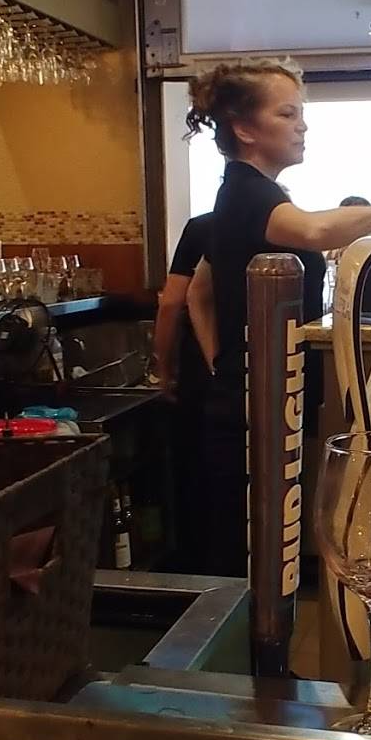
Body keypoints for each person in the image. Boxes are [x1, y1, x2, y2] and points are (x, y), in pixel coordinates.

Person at [185, 58, 371, 577]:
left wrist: (222, 362)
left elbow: (198, 291)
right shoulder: (248, 191)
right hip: (252, 403)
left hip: (257, 394)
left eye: (300, 114)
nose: (301, 126)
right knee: (250, 550)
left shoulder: (247, 193)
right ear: (245, 129)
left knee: (262, 545)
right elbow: (313, 232)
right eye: (286, 114)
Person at [153, 213, 213, 571]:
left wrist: (163, 367)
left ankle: (199, 569)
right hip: (272, 367)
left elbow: (171, 302)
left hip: (203, 373)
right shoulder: (291, 231)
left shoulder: (203, 228)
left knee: (196, 471)